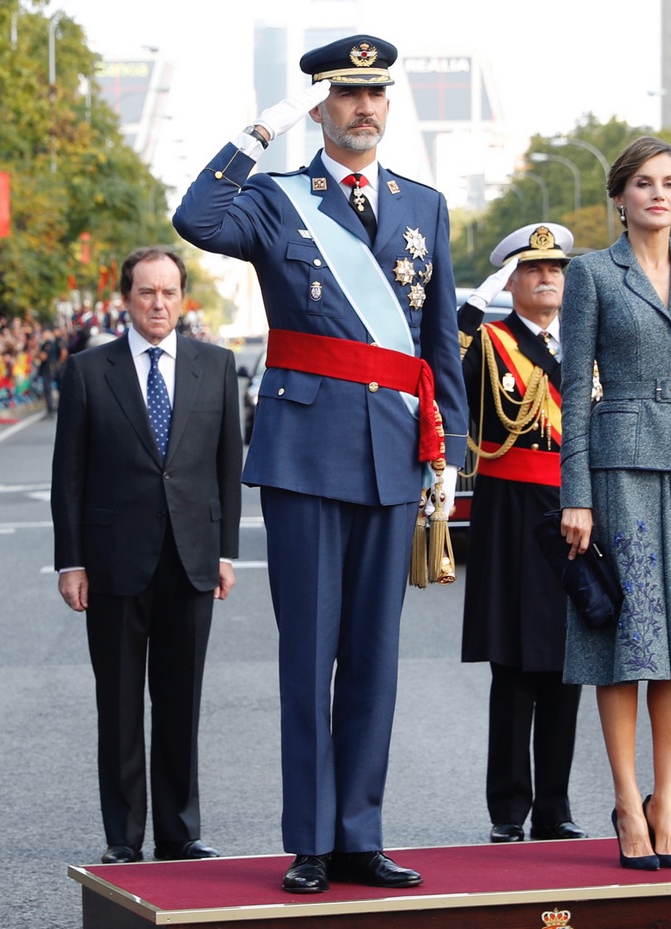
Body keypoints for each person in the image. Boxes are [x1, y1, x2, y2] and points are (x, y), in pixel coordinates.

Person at [173, 34, 466, 892]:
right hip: (305, 454)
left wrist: (448, 447)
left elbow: (438, 335)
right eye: (344, 95)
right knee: (308, 655)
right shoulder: (275, 200)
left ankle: (358, 834)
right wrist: (261, 131)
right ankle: (308, 837)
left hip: (392, 454)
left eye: (375, 95)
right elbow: (195, 219)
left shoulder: (425, 205)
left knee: (374, 655)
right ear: (319, 106)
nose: (363, 109)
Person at [559, 136, 671, 871]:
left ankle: (667, 802)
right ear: (620, 197)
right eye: (644, 183)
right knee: (624, 641)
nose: (658, 194)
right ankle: (627, 800)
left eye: (669, 183)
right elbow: (575, 390)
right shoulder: (592, 274)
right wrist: (576, 494)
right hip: (621, 470)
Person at [51, 246, 243, 864]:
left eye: (168, 292)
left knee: (181, 700)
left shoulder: (215, 366)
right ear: (126, 299)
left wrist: (227, 552)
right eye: (145, 293)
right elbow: (69, 477)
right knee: (121, 702)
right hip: (112, 561)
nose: (158, 304)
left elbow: (226, 467)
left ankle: (181, 831)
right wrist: (70, 561)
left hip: (191, 555)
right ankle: (123, 836)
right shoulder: (87, 370)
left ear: (182, 297)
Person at [457, 223, 587, 845]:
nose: (547, 279)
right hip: (511, 511)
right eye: (533, 271)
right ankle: (508, 809)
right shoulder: (488, 341)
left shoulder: (584, 343)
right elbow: (442, 373)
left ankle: (555, 806)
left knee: (568, 661)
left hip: (575, 509)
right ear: (510, 280)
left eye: (556, 270)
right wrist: (472, 306)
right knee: (512, 662)